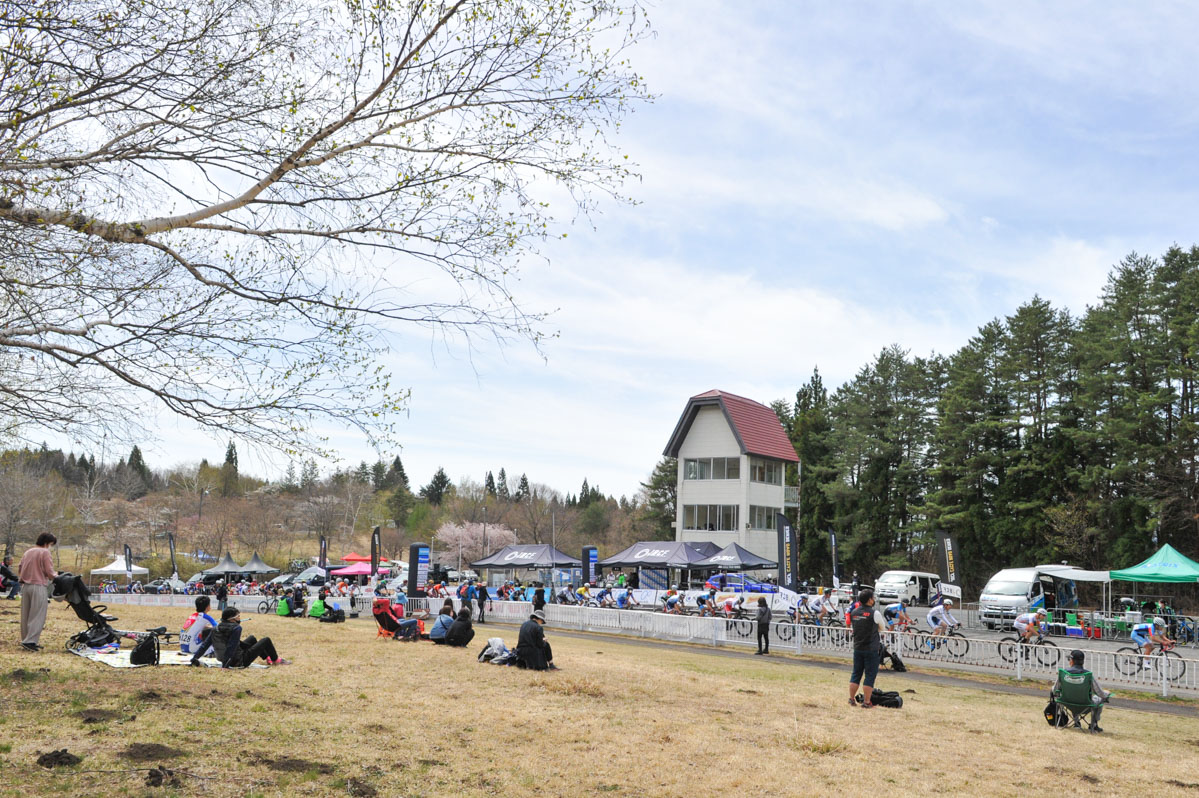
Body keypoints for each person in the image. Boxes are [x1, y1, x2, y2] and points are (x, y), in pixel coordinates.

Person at [1051, 649, 1109, 732]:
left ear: (1072, 661)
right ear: (1082, 662)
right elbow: (1100, 693)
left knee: (1073, 694)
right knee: (1100, 697)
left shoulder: (1064, 673)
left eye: (1069, 659)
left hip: (1067, 702)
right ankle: (1094, 724)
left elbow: (1055, 689)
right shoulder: (1088, 675)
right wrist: (1107, 694)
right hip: (1086, 704)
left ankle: (1076, 722)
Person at [18, 533, 57, 652]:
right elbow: (49, 571)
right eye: (51, 544)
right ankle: (30, 641)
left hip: (26, 586)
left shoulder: (28, 552)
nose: (50, 547)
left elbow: (20, 567)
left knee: (26, 614)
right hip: (38, 585)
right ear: (47, 543)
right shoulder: (44, 552)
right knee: (37, 615)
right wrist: (56, 576)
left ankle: (25, 638)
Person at [210, 608, 289, 667]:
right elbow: (231, 647)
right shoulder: (236, 628)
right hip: (238, 661)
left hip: (225, 658)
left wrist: (197, 657)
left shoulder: (218, 628)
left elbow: (208, 644)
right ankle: (275, 660)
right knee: (266, 640)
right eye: (238, 616)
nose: (239, 618)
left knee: (252, 639)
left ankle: (267, 657)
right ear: (232, 619)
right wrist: (225, 665)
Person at [848, 588, 886, 708]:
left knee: (856, 674)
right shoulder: (875, 613)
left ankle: (851, 699)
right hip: (871, 649)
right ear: (870, 600)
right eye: (873, 598)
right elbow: (882, 628)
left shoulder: (854, 612)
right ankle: (867, 702)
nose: (874, 599)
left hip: (857, 647)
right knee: (869, 675)